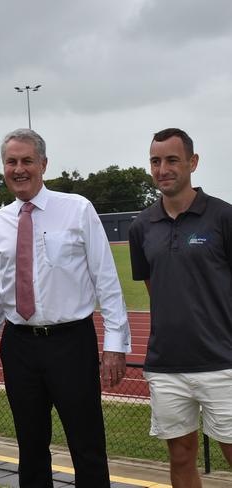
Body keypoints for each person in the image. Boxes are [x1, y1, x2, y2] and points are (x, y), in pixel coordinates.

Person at [0, 129, 131, 488]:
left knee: (87, 444)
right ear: (4, 167)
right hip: (20, 346)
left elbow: (105, 280)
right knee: (30, 448)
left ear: (43, 164)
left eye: (27, 160)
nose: (19, 169)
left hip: (71, 344)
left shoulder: (77, 209)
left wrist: (114, 345)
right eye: (11, 161)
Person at [129, 128, 232, 487]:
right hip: (167, 364)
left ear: (193, 162)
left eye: (172, 160)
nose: (163, 169)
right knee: (181, 455)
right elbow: (154, 288)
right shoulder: (142, 226)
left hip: (223, 360)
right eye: (155, 161)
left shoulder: (223, 217)